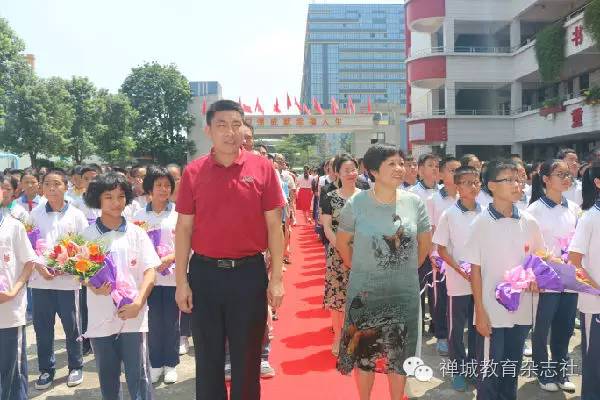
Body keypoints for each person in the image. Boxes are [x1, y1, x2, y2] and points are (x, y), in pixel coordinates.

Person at [174, 100, 285, 400]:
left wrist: (276, 279)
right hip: (205, 274)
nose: (230, 132)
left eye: (236, 124)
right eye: (221, 125)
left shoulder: (262, 168)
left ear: (244, 129)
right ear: (208, 130)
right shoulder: (193, 172)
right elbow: (183, 228)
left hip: (248, 274)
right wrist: (181, 281)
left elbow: (275, 226)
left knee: (247, 358)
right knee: (208, 358)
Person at [336, 144, 432, 400]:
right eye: (391, 164)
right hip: (366, 292)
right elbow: (342, 243)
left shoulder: (415, 203)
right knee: (364, 355)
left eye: (401, 163)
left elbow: (424, 244)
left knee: (400, 357)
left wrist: (406, 270)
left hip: (404, 293)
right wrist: (359, 268)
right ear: (373, 171)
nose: (400, 168)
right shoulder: (356, 203)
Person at [464, 159, 545, 400]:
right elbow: (474, 269)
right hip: (492, 311)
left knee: (512, 367)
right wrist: (479, 309)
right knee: (489, 371)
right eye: (508, 179)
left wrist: (534, 277)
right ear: (492, 185)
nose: (516, 184)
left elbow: (539, 259)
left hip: (521, 310)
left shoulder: (529, 222)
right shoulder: (481, 223)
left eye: (518, 179)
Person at [82, 172, 158, 400]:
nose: (116, 203)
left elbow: (150, 272)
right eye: (108, 197)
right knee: (107, 376)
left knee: (139, 376)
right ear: (97, 199)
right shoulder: (86, 236)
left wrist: (138, 302)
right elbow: (80, 273)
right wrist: (91, 285)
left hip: (134, 317)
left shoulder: (137, 233)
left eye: (121, 196)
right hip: (100, 317)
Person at [29, 169, 88, 390]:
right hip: (40, 281)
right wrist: (39, 267)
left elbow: (84, 246)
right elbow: (28, 246)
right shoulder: (34, 214)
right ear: (42, 188)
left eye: (56, 184)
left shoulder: (76, 215)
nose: (52, 188)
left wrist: (69, 265)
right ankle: (46, 369)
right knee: (42, 327)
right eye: (47, 184)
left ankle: (76, 365)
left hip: (67, 282)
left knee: (72, 326)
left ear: (66, 186)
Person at [527, 159, 580, 393]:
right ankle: (543, 371)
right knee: (542, 328)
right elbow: (529, 246)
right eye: (560, 174)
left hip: (569, 279)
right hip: (545, 279)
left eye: (568, 174)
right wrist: (548, 261)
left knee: (565, 327)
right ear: (546, 179)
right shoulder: (534, 211)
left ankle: (561, 371)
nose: (566, 178)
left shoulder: (574, 209)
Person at [433, 166, 481, 392]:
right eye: (468, 182)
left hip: (481, 284)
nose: (473, 186)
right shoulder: (449, 214)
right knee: (456, 330)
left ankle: (473, 368)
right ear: (458, 186)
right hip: (458, 283)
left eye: (476, 181)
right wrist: (460, 269)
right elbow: (441, 249)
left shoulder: (487, 212)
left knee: (477, 329)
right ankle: (458, 370)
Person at [133, 166, 180, 384]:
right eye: (159, 185)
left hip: (172, 278)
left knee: (171, 322)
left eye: (167, 186)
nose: (163, 189)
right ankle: (155, 363)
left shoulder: (179, 213)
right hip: (148, 280)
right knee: (151, 322)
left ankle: (171, 363)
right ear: (149, 188)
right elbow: (134, 246)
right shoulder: (139, 216)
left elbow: (187, 244)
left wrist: (171, 257)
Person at [0, 178, 37, 400]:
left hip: (9, 310)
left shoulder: (14, 226)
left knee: (12, 369)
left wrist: (14, 291)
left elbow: (28, 262)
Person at [321, 154, 361, 357]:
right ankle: (339, 337)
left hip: (362, 255)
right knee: (338, 300)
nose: (351, 174)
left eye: (354, 169)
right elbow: (327, 227)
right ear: (337, 172)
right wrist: (343, 249)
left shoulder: (365, 196)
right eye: (346, 170)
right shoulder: (329, 197)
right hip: (337, 255)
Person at [568, 160, 600, 400]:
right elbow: (575, 261)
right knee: (594, 360)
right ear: (598, 183)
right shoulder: (589, 218)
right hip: (594, 304)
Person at [427, 156, 460, 356]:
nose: (455, 174)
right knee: (440, 297)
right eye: (451, 170)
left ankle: (456, 333)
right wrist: (433, 254)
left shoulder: (466, 198)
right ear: (441, 174)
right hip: (440, 255)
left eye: (459, 170)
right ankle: (441, 335)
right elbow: (430, 228)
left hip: (462, 257)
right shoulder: (433, 199)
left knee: (459, 299)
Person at [409, 153, 440, 339]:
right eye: (430, 165)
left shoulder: (444, 192)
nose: (435, 168)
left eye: (437, 165)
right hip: (420, 249)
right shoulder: (413, 194)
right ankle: (418, 326)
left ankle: (437, 325)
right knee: (420, 289)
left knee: (438, 291)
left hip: (440, 252)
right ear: (420, 170)